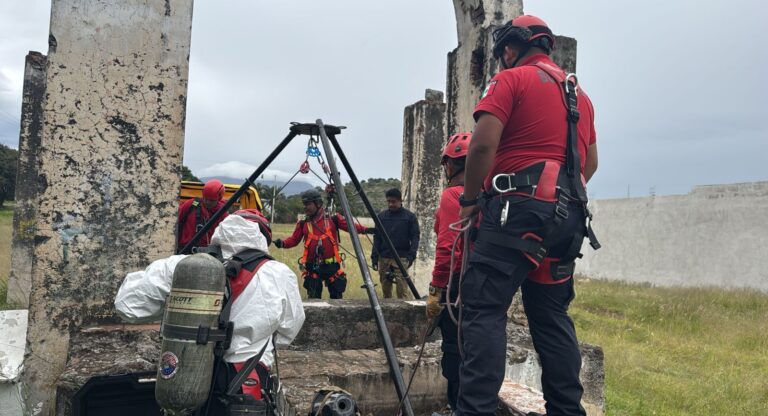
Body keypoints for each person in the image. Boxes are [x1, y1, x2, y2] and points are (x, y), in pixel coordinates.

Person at [456, 15, 600, 416]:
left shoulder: (511, 80)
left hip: (516, 212)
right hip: (569, 217)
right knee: (551, 315)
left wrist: (470, 200)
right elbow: (590, 163)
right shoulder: (580, 96)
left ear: (509, 49)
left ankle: (476, 410)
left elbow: (482, 146)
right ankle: (567, 411)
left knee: (485, 309)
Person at [115, 209, 305, 414]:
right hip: (243, 387)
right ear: (262, 238)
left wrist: (175, 309)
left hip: (184, 376)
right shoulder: (279, 274)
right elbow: (288, 330)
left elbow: (127, 305)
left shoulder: (181, 265)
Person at [426, 132, 472, 413]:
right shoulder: (487, 194)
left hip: (456, 284)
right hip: (483, 282)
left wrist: (436, 290)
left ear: (451, 165)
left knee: (455, 350)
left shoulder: (453, 195)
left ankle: (458, 407)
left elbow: (447, 249)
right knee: (475, 348)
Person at [272, 189, 373, 299]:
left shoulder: (333, 218)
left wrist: (366, 230)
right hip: (312, 267)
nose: (305, 207)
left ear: (318, 203)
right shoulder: (303, 223)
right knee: (314, 298)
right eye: (304, 204)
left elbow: (351, 226)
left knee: (337, 298)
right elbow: (294, 240)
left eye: (308, 204)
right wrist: (282, 243)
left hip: (332, 266)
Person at [371, 188, 420, 299]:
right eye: (388, 201)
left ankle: (404, 315)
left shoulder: (410, 217)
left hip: (402, 258)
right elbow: (377, 238)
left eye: (393, 201)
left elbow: (415, 237)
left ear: (400, 200)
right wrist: (374, 257)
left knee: (402, 292)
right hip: (384, 257)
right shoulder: (381, 217)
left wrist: (411, 256)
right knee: (386, 291)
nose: (391, 204)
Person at [176, 179, 229, 253]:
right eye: (205, 199)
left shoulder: (222, 214)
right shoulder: (191, 205)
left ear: (219, 198)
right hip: (185, 250)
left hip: (208, 254)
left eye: (211, 200)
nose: (207, 202)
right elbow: (177, 222)